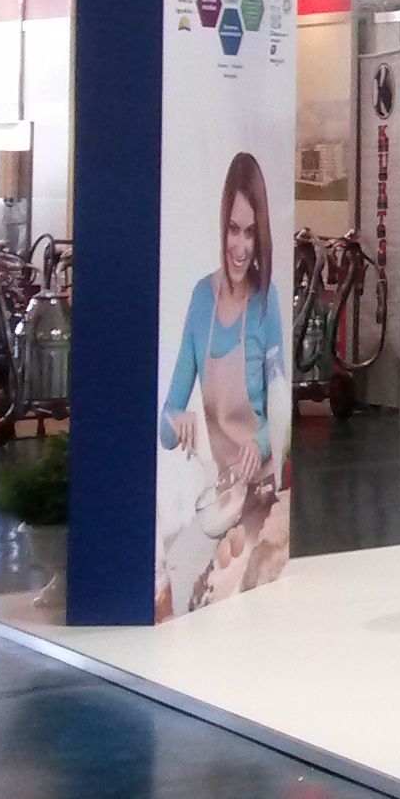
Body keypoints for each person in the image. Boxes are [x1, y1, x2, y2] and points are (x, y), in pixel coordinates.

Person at [158, 151, 290, 615]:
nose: (240, 247)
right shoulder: (201, 300)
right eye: (233, 229)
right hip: (222, 497)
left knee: (235, 593)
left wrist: (260, 441)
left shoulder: (266, 303)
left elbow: (281, 414)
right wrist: (179, 419)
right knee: (180, 577)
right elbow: (165, 426)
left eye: (250, 233)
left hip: (264, 496)